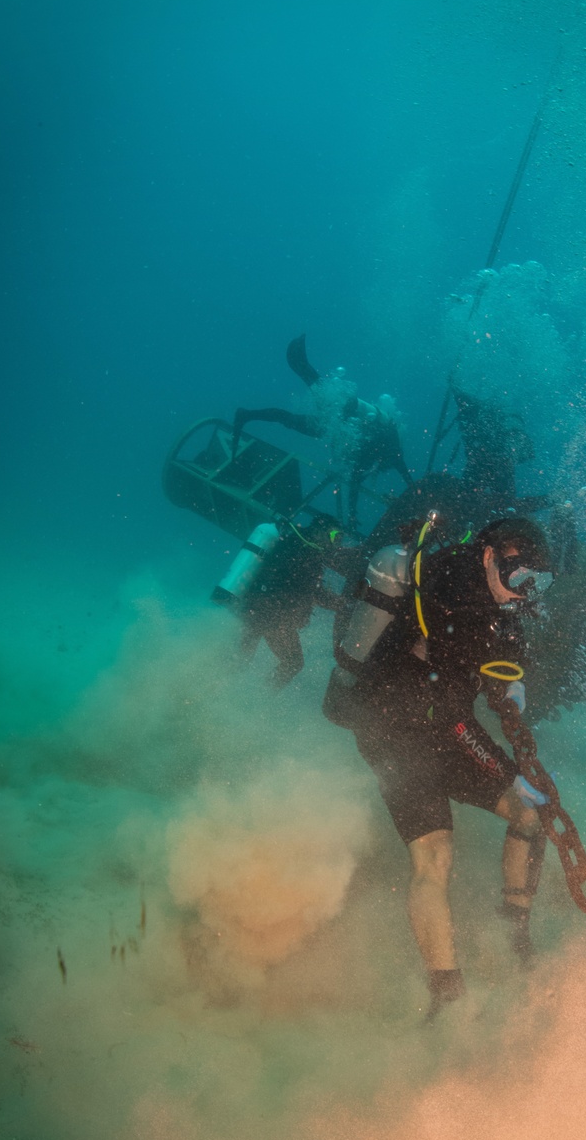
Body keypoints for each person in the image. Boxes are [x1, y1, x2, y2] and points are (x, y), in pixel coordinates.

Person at [323, 512, 555, 1015]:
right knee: (435, 859)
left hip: (438, 727)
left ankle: (513, 930)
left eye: (538, 582)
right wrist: (508, 771)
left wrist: (515, 688)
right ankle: (446, 995)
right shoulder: (450, 593)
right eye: (520, 577)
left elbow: (504, 659)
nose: (524, 592)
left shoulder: (494, 601)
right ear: (491, 554)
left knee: (530, 818)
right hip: (392, 733)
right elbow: (451, 714)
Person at [232, 335, 412, 528]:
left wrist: (352, 512)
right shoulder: (392, 450)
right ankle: (298, 359)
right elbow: (404, 474)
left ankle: (245, 415)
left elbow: (355, 483)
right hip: (344, 411)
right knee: (312, 387)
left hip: (333, 426)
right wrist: (415, 489)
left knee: (289, 418)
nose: (383, 469)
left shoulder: (369, 459)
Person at [212, 513, 348, 687]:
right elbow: (313, 592)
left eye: (340, 538)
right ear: (319, 531)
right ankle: (260, 699)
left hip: (256, 609)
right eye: (334, 536)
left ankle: (206, 689)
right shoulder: (304, 552)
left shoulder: (294, 545)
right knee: (292, 662)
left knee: (241, 658)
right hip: (271, 616)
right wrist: (343, 605)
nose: (336, 543)